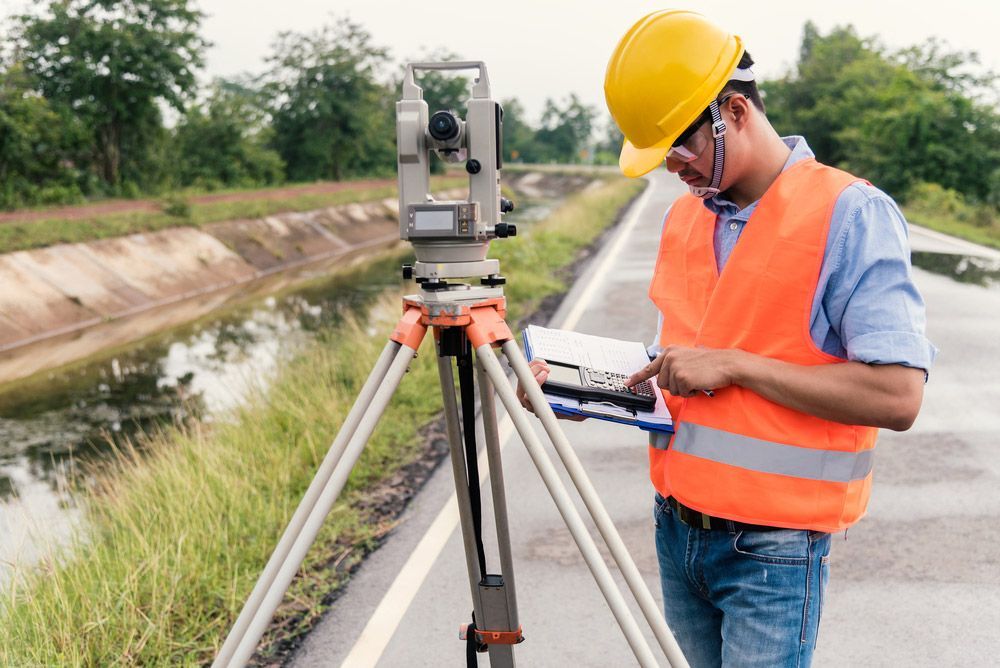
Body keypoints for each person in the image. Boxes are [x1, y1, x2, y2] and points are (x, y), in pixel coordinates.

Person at [516, 9, 937, 668]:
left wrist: (738, 366)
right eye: (661, 159)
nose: (673, 170)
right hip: (676, 527)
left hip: (773, 549)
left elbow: (898, 396)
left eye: (680, 149)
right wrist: (571, 382)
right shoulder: (686, 218)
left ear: (734, 112)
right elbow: (680, 366)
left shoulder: (852, 214)